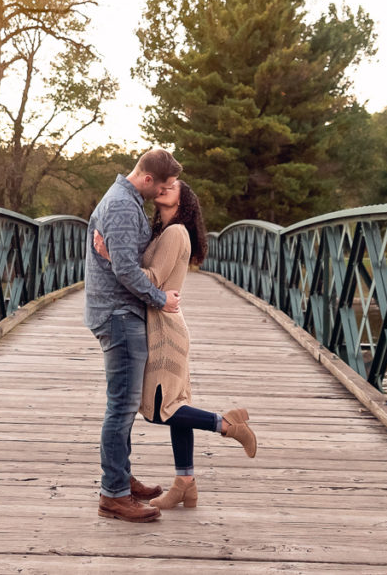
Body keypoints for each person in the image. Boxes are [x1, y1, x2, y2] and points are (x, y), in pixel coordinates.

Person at [93, 180, 257, 511]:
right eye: (163, 183)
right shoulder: (164, 233)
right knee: (176, 406)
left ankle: (226, 425)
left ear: (184, 201)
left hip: (164, 330)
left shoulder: (176, 233)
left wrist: (111, 257)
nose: (166, 186)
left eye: (173, 185)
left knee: (161, 410)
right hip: (164, 325)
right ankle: (185, 484)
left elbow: (151, 280)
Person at [84, 148, 183, 522]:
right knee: (122, 406)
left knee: (122, 404)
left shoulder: (124, 200)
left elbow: (124, 260)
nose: (162, 192)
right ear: (146, 179)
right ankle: (113, 494)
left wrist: (114, 258)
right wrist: (161, 299)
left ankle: (121, 479)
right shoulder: (124, 207)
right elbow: (127, 270)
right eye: (161, 186)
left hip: (118, 311)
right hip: (118, 315)